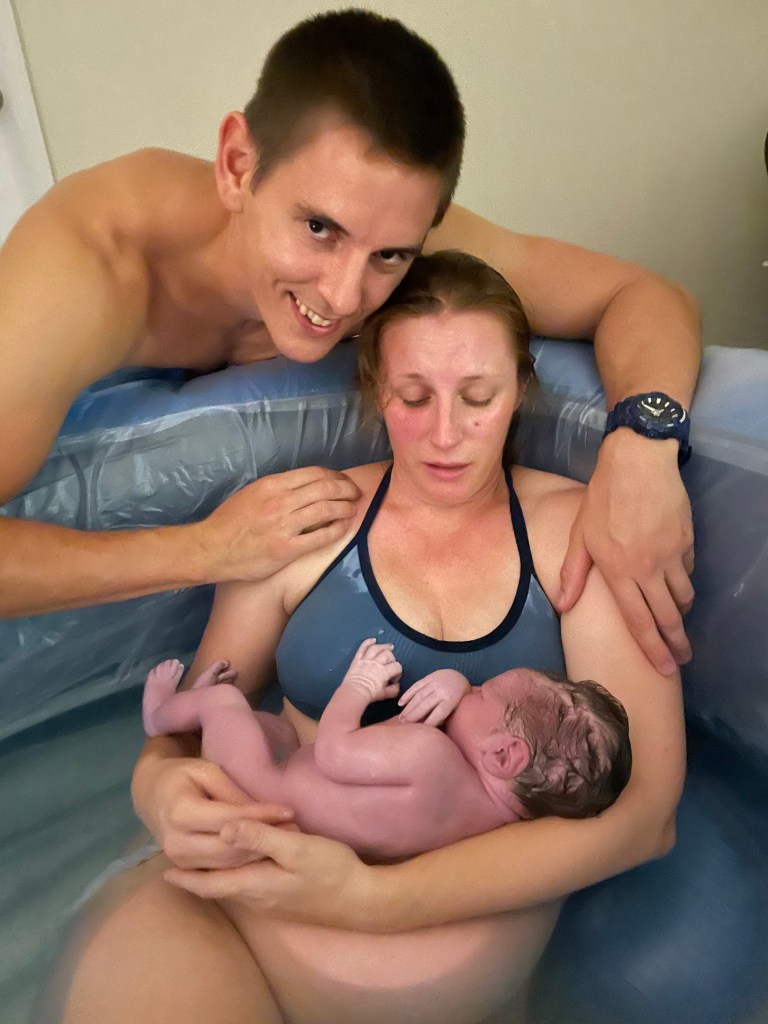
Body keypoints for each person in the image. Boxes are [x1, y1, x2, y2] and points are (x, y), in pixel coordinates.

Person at [57, 251, 685, 1024]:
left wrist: (372, 897)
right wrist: (154, 788)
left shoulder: (580, 536)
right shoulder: (303, 522)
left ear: (521, 389)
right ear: (374, 389)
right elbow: (195, 711)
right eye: (413, 397)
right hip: (232, 913)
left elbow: (644, 817)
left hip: (447, 974)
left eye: (478, 396)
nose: (446, 434)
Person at [0, 9, 699, 675]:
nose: (342, 297)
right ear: (237, 164)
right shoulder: (85, 274)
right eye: (319, 229)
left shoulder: (394, 228)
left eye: (390, 255)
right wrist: (206, 548)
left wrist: (641, 451)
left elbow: (643, 296)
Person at [142, 639, 632, 860]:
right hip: (296, 818)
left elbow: (334, 752)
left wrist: (358, 686)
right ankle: (201, 715)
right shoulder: (487, 820)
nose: (471, 689)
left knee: (227, 703)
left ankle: (162, 713)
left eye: (482, 693)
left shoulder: (430, 755)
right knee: (275, 732)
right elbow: (395, 755)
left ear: (504, 756)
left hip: (258, 788)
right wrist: (457, 685)